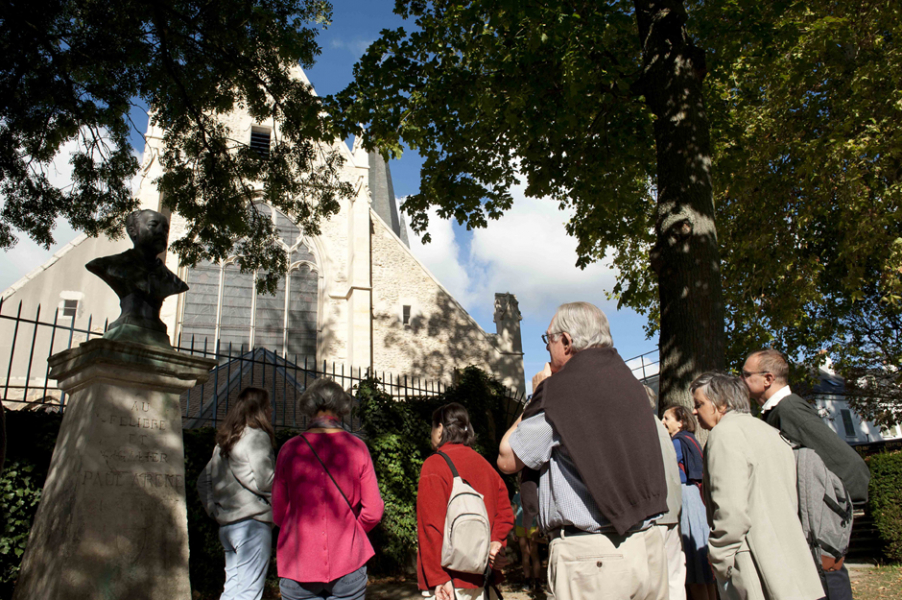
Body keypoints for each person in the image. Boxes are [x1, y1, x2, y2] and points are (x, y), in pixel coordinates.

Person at [498, 302, 669, 600]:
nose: (547, 349)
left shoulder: (560, 391)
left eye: (548, 339)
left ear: (566, 341)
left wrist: (538, 397)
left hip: (593, 557)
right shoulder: (629, 383)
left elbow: (507, 458)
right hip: (648, 547)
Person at [741, 348, 869, 599]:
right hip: (810, 520)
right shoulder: (776, 411)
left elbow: (849, 464)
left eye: (746, 374)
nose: (742, 380)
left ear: (767, 379)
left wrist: (833, 506)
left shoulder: (789, 410)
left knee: (829, 578)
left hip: (821, 524)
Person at [691, 372, 824, 600]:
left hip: (754, 562)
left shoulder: (724, 434)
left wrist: (720, 558)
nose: (694, 411)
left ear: (721, 403)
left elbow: (731, 510)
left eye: (699, 404)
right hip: (790, 556)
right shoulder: (771, 432)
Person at [273, 378, 384, 600]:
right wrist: (350, 531)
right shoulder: (356, 447)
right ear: (341, 409)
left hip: (298, 562)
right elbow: (373, 511)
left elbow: (278, 513)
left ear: (309, 408)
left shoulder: (290, 449)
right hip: (348, 561)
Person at [417, 403, 514, 600]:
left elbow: (430, 527)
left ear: (441, 429)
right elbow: (505, 513)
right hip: (483, 576)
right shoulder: (486, 466)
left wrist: (438, 577)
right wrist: (496, 542)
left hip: (448, 581)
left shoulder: (435, 464)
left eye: (433, 426)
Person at [197, 387, 276, 600]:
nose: (271, 410)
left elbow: (203, 481)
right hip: (252, 524)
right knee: (249, 593)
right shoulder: (257, 437)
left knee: (232, 590)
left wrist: (213, 509)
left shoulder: (224, 441)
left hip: (227, 526)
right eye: (268, 405)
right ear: (259, 410)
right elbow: (267, 481)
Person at [661, 405, 715, 600]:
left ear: (680, 421)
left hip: (685, 498)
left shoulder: (676, 442)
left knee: (692, 561)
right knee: (703, 564)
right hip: (697, 499)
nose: (663, 422)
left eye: (667, 418)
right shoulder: (692, 440)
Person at [645, 389, 686, 600]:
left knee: (656, 578)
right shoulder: (660, 428)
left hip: (656, 514)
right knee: (675, 575)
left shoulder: (643, 427)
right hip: (671, 510)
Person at [512, 490, 542, 592]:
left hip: (532, 525)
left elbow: (539, 511)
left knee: (534, 553)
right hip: (520, 526)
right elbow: (515, 514)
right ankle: (527, 580)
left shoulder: (536, 494)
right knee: (525, 553)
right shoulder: (517, 496)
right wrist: (514, 531)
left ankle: (537, 581)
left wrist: (538, 528)